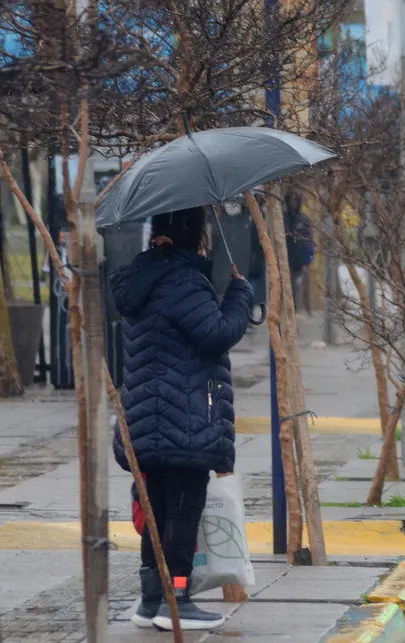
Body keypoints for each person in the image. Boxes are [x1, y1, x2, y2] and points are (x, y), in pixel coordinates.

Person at [110, 206, 255, 631]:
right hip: (185, 414)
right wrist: (240, 296)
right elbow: (215, 334)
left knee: (155, 508)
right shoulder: (184, 279)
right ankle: (177, 596)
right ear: (194, 232)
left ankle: (151, 598)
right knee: (182, 510)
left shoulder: (140, 277)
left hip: (145, 414)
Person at [284, 191, 314, 312]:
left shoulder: (304, 219)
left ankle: (295, 311)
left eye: (296, 200)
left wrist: (307, 259)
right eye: (291, 200)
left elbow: (309, 240)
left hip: (299, 260)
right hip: (285, 259)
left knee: (295, 287)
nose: (294, 203)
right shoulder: (282, 218)